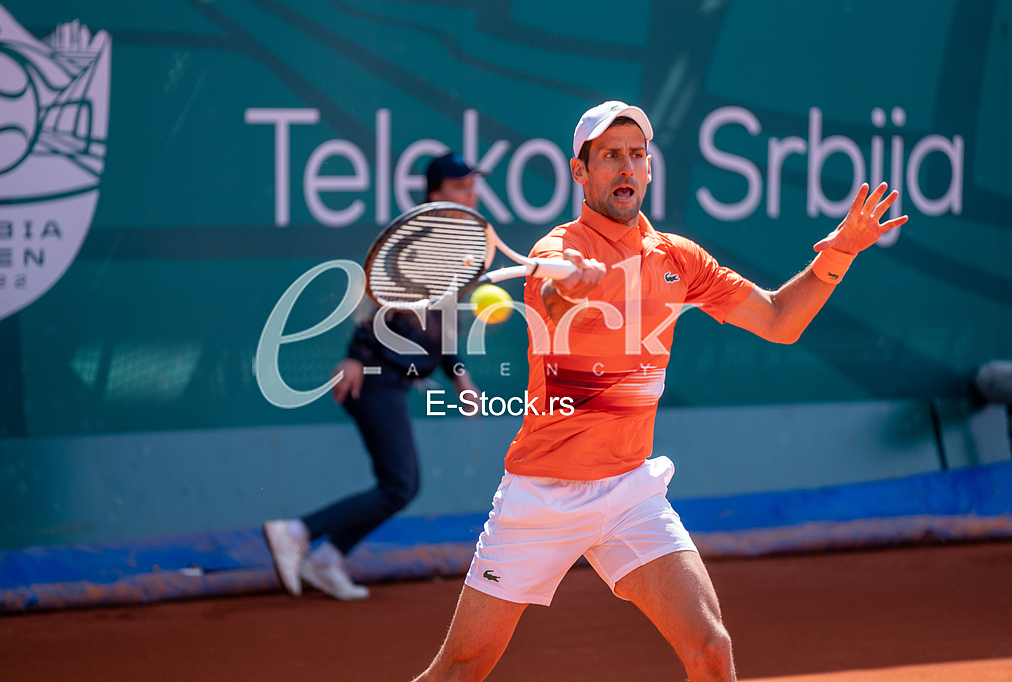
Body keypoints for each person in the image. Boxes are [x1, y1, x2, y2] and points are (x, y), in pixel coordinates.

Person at [412, 102, 907, 681]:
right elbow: (549, 300)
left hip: (629, 490)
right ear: (580, 172)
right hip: (543, 494)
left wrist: (842, 251)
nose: (626, 167)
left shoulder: (678, 258)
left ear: (648, 168)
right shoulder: (558, 250)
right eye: (610, 156)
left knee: (710, 649)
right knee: (462, 668)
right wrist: (572, 288)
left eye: (636, 155)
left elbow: (779, 320)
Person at [263, 152, 482, 600]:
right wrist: (355, 357)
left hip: (394, 379)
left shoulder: (450, 247)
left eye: (472, 186)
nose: (470, 195)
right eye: (460, 187)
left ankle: (327, 560)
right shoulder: (419, 241)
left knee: (402, 485)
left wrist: (459, 376)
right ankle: (298, 532)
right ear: (435, 194)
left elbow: (441, 326)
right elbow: (380, 303)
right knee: (400, 484)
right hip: (374, 375)